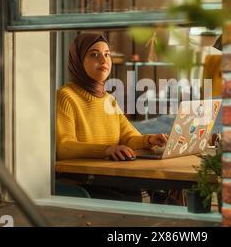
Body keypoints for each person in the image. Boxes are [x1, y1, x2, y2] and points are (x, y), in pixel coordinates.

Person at [55, 33, 168, 201]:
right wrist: (107, 150)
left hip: (111, 179)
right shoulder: (66, 96)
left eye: (107, 54)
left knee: (165, 199)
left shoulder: (109, 99)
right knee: (149, 201)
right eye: (94, 54)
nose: (104, 59)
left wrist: (150, 140)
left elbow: (128, 137)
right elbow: (64, 147)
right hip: (85, 183)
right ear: (78, 61)